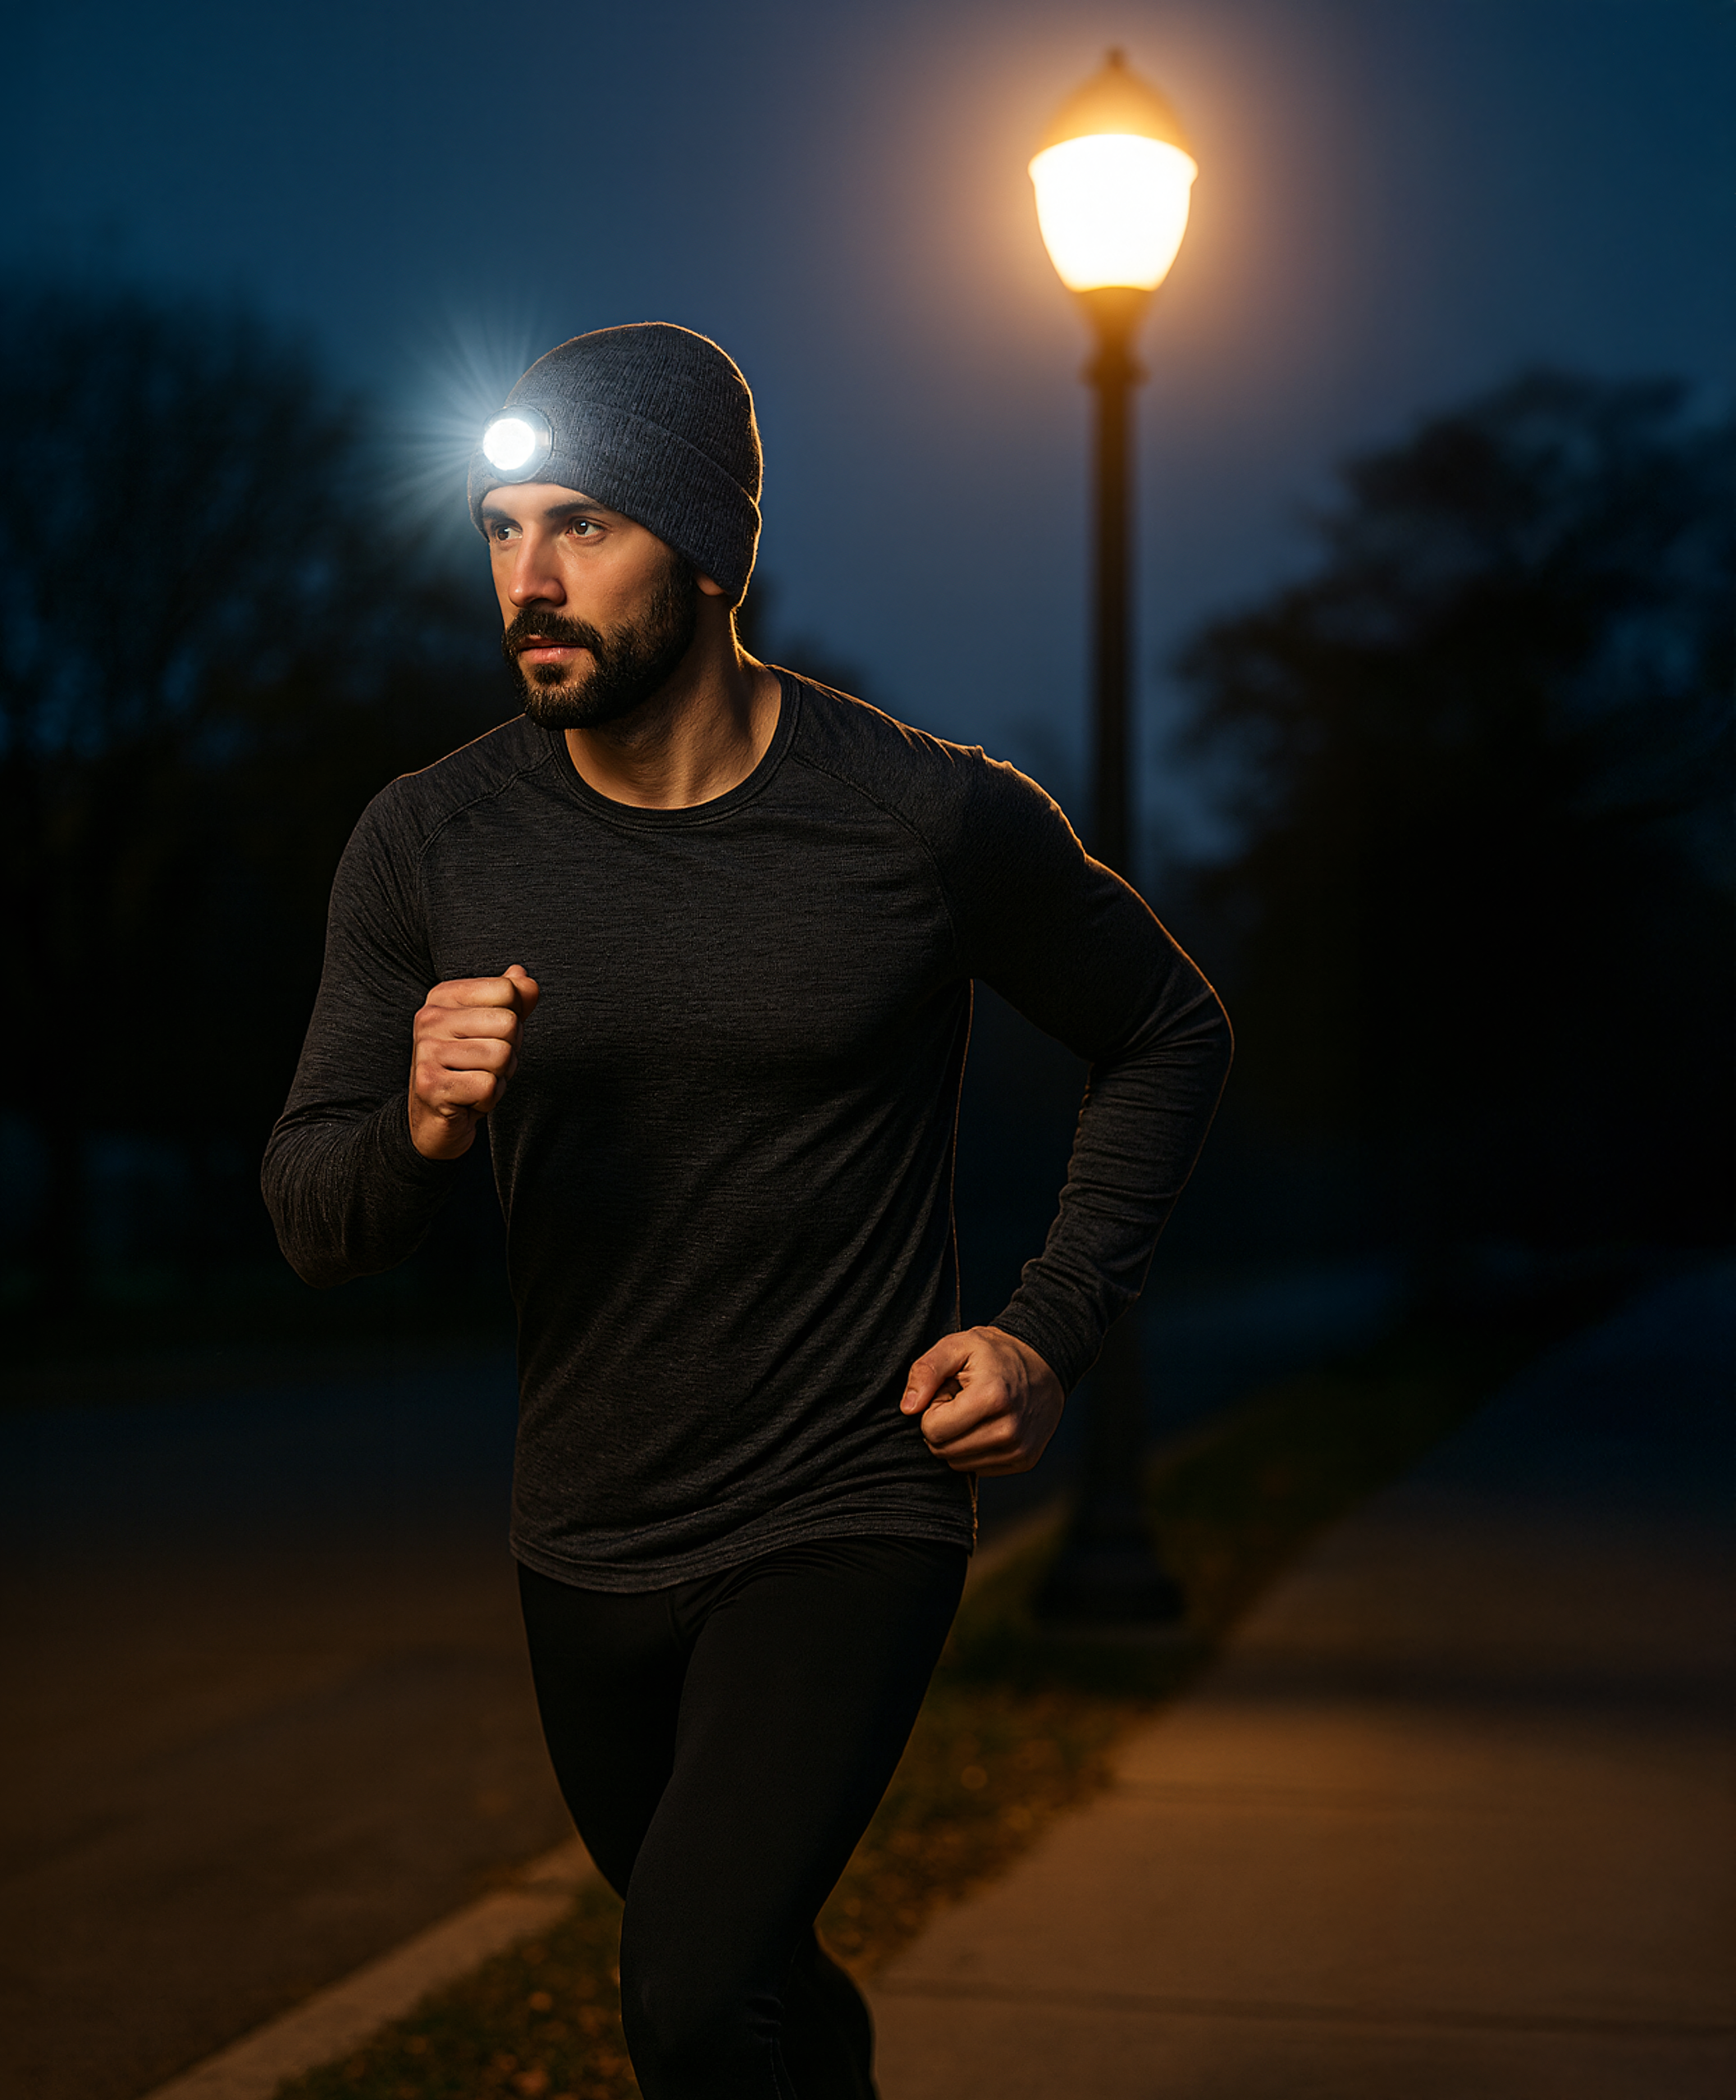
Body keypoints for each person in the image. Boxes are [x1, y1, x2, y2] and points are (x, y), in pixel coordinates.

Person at [263, 322, 1231, 2100]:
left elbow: (1164, 1026)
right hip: (584, 1529)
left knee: (692, 1996)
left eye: (585, 526)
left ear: (710, 553)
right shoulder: (427, 842)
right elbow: (316, 1218)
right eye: (498, 527)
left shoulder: (920, 817)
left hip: (843, 1500)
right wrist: (411, 1120)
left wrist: (1047, 1321)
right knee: (754, 1983)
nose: (529, 580)